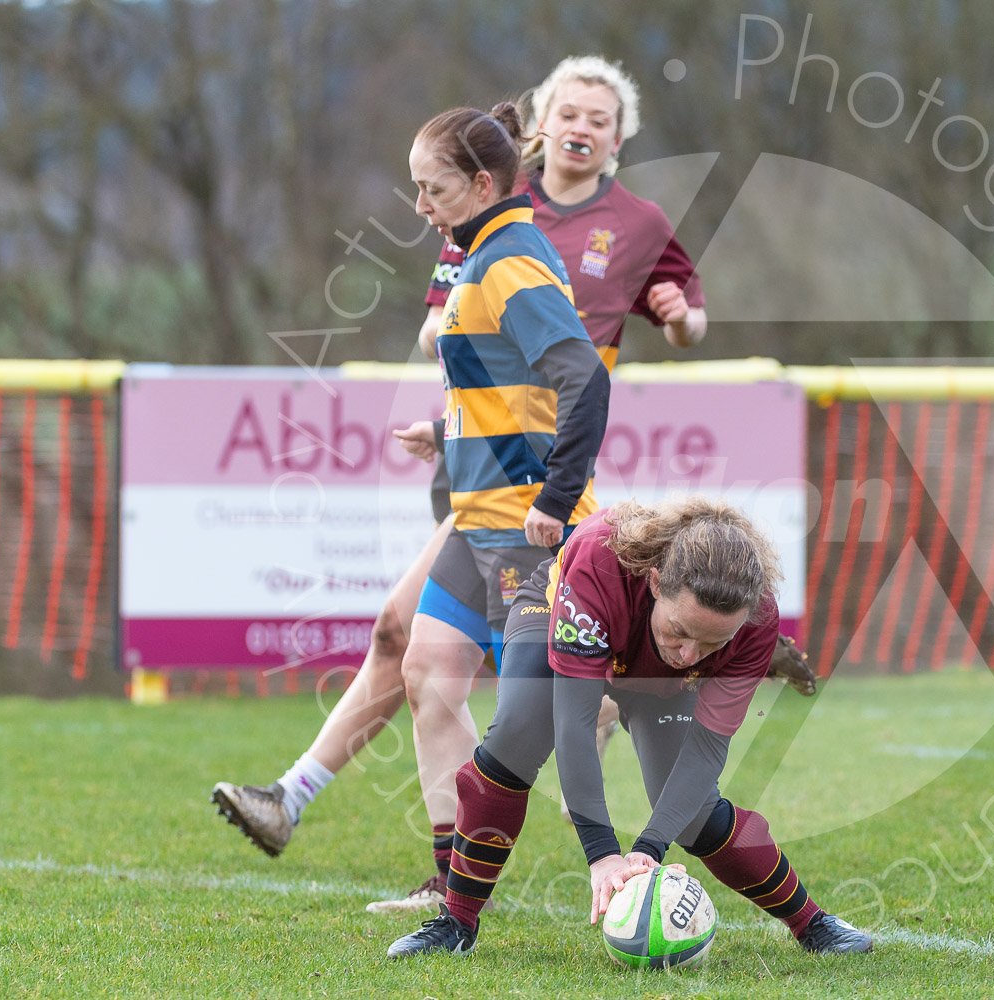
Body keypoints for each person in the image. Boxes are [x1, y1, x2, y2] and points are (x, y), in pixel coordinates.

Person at [211, 56, 817, 911]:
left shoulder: (621, 227)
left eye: (600, 117)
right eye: (568, 109)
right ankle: (413, 857)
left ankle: (667, 713)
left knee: (545, 698)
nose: (582, 125)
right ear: (541, 121)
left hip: (536, 490)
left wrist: (680, 321)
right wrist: (460, 417)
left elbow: (634, 345)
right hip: (484, 474)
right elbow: (448, 338)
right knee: (419, 657)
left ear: (617, 137)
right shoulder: (482, 224)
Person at [385, 498, 872, 958]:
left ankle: (812, 923)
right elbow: (573, 722)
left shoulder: (755, 620)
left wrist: (647, 850)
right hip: (554, 614)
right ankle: (457, 921)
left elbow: (705, 752)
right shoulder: (601, 555)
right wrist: (603, 855)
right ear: (656, 582)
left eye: (711, 643)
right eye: (682, 631)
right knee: (518, 732)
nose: (689, 656)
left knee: (697, 813)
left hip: (651, 673)